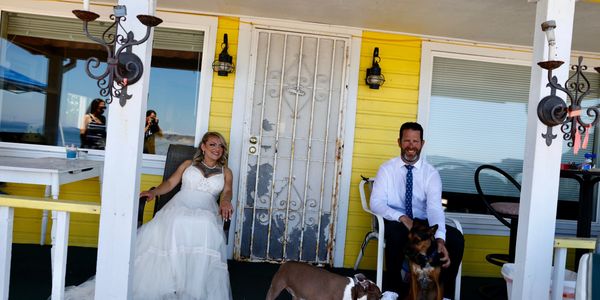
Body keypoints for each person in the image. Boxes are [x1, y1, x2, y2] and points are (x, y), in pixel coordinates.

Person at [63, 131, 234, 300]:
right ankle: (173, 280)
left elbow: (227, 192)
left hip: (206, 207)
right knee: (177, 220)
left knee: (205, 224)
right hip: (181, 203)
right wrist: (154, 192)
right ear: (203, 147)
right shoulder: (188, 164)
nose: (217, 149)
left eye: (220, 146)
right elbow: (169, 183)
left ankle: (193, 284)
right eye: (212, 144)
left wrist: (225, 201)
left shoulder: (226, 172)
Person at [370, 122, 464, 299]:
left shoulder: (431, 173)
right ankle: (392, 290)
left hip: (422, 223)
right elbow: (376, 203)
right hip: (395, 218)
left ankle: (445, 294)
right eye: (407, 141)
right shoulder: (386, 169)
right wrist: (402, 217)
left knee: (456, 239)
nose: (411, 146)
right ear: (399, 142)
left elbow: (435, 208)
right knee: (397, 235)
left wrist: (440, 239)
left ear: (422, 143)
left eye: (415, 141)